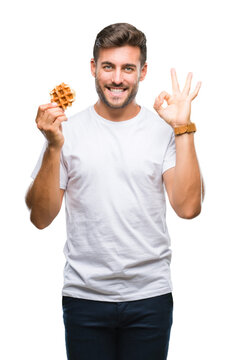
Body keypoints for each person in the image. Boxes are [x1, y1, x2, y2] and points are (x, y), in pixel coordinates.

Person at [25, 23, 204, 360]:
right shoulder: (66, 132)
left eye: (128, 68)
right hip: (84, 298)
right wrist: (52, 147)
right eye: (108, 66)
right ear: (93, 68)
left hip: (150, 297)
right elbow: (40, 217)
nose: (117, 78)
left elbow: (188, 206)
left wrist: (183, 128)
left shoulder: (161, 130)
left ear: (142, 72)